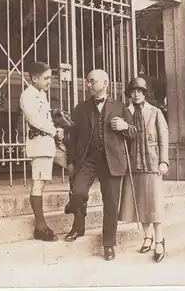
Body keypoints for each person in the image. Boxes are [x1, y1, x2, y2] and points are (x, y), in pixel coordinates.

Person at [63, 69, 137, 261]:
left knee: (111, 204)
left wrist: (125, 127)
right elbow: (72, 138)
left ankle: (109, 244)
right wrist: (70, 162)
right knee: (78, 192)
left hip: (112, 160)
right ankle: (78, 227)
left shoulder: (121, 107)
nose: (88, 85)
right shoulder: (80, 108)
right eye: (87, 81)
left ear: (105, 83)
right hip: (87, 159)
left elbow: (134, 133)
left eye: (92, 81)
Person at [119, 77, 169, 263]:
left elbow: (163, 137)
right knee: (141, 203)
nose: (136, 94)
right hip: (134, 163)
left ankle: (159, 239)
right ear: (129, 94)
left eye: (140, 91)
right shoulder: (126, 113)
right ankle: (147, 236)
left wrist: (164, 161)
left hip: (152, 162)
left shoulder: (155, 112)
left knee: (154, 202)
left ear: (145, 93)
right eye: (133, 91)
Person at [19, 62, 64, 241]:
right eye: (46, 78)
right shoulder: (27, 96)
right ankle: (40, 226)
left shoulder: (41, 94)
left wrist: (57, 129)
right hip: (39, 143)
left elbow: (46, 118)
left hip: (48, 142)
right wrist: (54, 131)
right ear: (34, 78)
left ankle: (74, 205)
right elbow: (36, 120)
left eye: (50, 77)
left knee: (71, 165)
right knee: (39, 182)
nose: (49, 81)